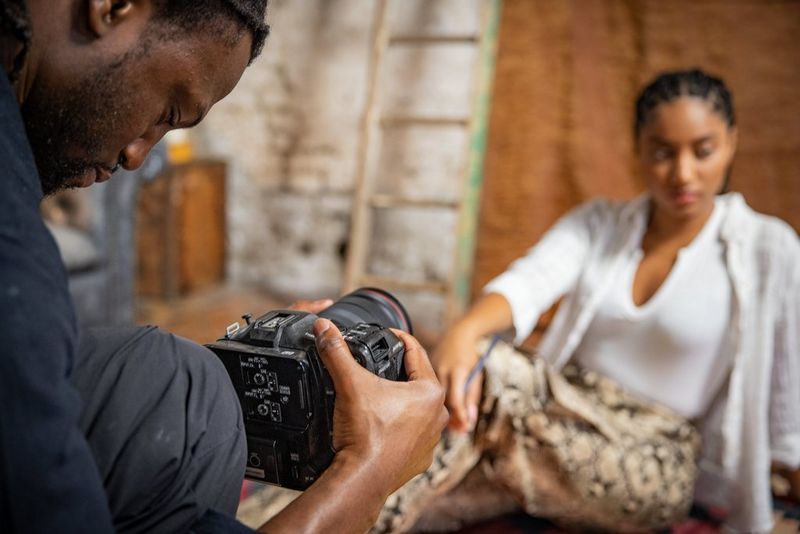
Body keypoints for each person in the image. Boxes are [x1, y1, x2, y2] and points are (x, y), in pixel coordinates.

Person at [0, 1, 448, 533]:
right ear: (114, 7)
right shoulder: (14, 258)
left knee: (188, 384)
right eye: (170, 110)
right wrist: (369, 470)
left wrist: (258, 363)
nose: (137, 157)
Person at [373, 69, 800, 533]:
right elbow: (530, 280)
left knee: (491, 384)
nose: (683, 172)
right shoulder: (599, 224)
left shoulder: (767, 249)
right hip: (557, 421)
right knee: (460, 438)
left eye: (703, 151)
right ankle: (371, 511)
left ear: (732, 143)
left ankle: (365, 502)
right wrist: (463, 332)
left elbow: (787, 389)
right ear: (638, 147)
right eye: (662, 152)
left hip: (655, 458)